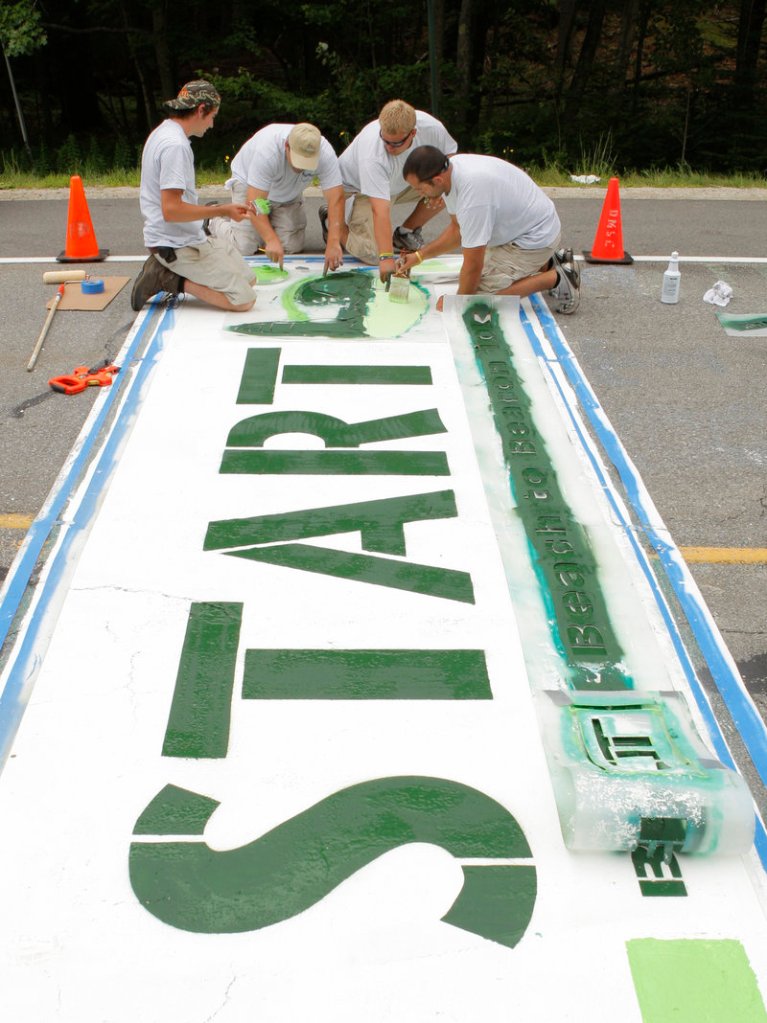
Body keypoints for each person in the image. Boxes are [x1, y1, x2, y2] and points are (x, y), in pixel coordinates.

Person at [396, 145, 580, 314]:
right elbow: (457, 230)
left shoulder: (473, 197)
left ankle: (558, 277)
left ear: (436, 180)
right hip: (526, 227)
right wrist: (418, 257)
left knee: (480, 301)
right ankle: (551, 262)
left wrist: (460, 301)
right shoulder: (452, 170)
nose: (420, 195)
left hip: (533, 238)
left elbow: (473, 264)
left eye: (420, 189)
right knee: (473, 283)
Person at [132, 80, 256, 313]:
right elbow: (172, 210)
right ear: (201, 110)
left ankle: (173, 269)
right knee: (243, 300)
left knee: (249, 280)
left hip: (189, 236)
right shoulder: (175, 146)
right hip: (174, 245)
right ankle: (167, 277)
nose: (212, 124)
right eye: (212, 116)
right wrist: (222, 210)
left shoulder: (164, 131)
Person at [336, 99, 457, 281]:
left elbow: (450, 159)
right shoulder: (373, 154)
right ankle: (333, 224)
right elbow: (380, 211)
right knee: (372, 254)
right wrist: (386, 258)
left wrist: (439, 191)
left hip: (400, 182)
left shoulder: (431, 128)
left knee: (446, 186)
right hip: (361, 189)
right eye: (385, 141)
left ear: (413, 133)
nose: (389, 148)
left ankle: (405, 233)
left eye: (396, 143)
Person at [207, 122, 345, 274]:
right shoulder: (268, 151)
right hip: (249, 184)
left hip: (288, 192)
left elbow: (336, 198)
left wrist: (333, 242)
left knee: (291, 247)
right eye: (299, 161)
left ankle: (267, 224)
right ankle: (212, 218)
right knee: (245, 245)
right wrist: (271, 239)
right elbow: (256, 201)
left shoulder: (325, 152)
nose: (302, 168)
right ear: (287, 146)